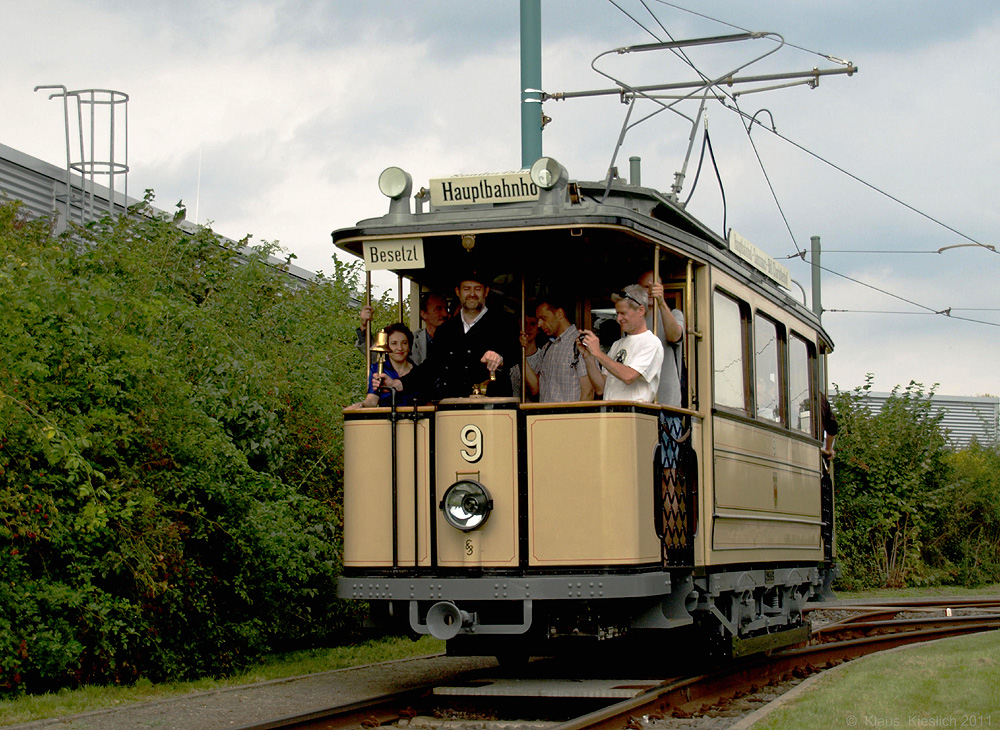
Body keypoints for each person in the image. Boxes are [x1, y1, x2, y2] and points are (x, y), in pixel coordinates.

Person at [396, 271, 517, 400]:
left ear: (486, 292)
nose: (472, 294)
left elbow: (515, 353)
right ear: (458, 292)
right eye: (466, 289)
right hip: (453, 408)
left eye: (477, 289)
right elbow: (430, 367)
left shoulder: (504, 322)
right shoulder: (445, 330)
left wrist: (500, 357)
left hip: (493, 408)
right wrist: (399, 383)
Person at [578, 284, 663, 403]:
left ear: (640, 310)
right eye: (617, 313)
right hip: (611, 413)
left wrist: (598, 353)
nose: (618, 319)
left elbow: (629, 376)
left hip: (633, 415)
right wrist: (589, 357)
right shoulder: (617, 344)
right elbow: (601, 388)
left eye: (623, 313)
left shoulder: (651, 342)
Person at [523, 297, 594, 402]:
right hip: (545, 416)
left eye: (544, 318)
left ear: (560, 314)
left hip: (569, 417)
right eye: (538, 320)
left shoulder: (580, 343)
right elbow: (536, 388)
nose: (539, 324)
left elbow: (588, 391)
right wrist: (521, 351)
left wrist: (578, 417)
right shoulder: (547, 348)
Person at [638, 270, 685, 407]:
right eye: (647, 287)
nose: (651, 291)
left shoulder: (674, 314)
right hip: (640, 397)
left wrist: (661, 302)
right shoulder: (632, 319)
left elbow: (674, 335)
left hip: (666, 399)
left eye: (655, 287)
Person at [353, 323, 419, 408]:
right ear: (387, 346)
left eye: (404, 343)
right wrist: (360, 406)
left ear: (409, 346)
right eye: (394, 343)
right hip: (386, 418)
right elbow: (372, 400)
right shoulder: (378, 369)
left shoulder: (418, 371)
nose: (400, 348)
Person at [510, 311, 543, 399]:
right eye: (524, 324)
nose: (528, 328)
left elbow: (535, 389)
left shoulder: (543, 357)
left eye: (532, 324)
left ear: (538, 328)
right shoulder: (510, 356)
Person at [410, 292, 448, 365]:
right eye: (438, 309)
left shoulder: (457, 339)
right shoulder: (412, 340)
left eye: (446, 309)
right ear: (424, 314)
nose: (445, 313)